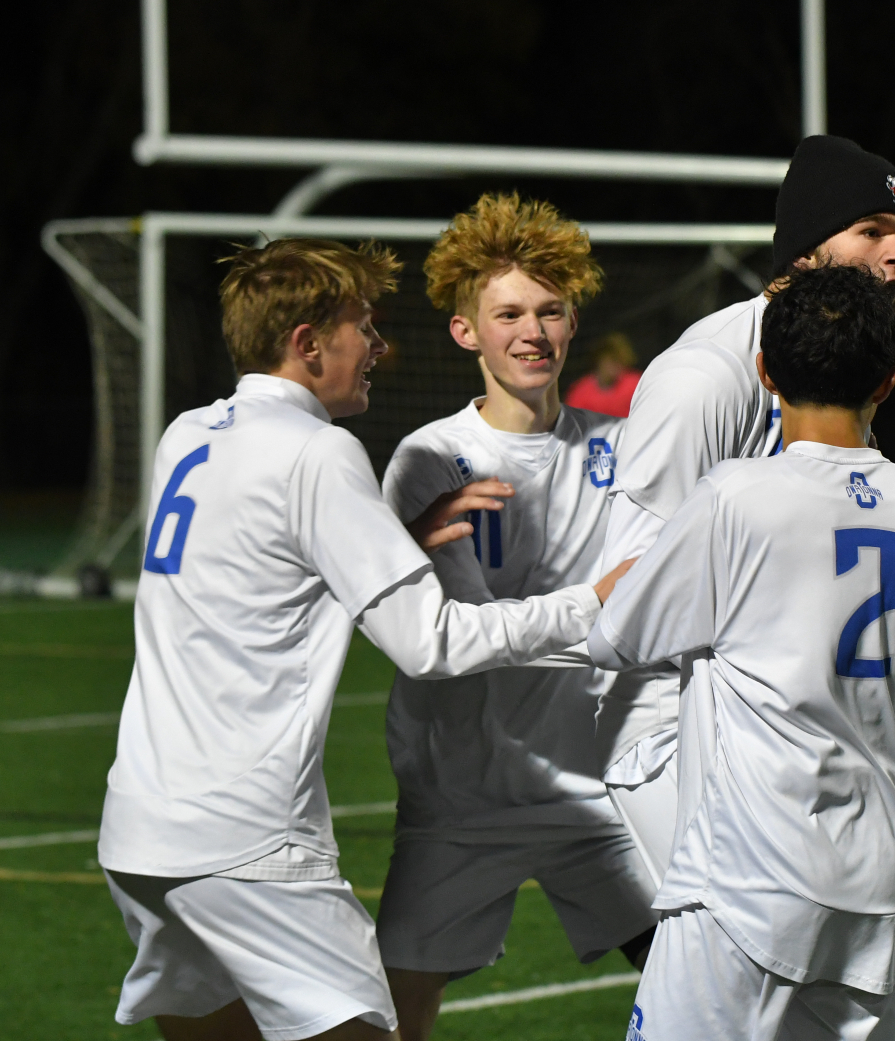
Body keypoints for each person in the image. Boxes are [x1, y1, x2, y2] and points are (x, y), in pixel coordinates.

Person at [96, 238, 632, 1041]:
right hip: (249, 842)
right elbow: (432, 644)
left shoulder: (189, 435)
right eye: (364, 328)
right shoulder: (317, 450)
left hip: (138, 831)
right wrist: (589, 604)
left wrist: (395, 542)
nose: (380, 348)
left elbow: (263, 581)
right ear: (308, 344)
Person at [591, 264, 895, 1041]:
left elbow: (615, 638)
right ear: (886, 382)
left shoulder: (735, 495)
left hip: (750, 874)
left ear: (764, 371)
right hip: (877, 874)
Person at [597, 134, 895, 883]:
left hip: (782, 725)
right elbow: (632, 589)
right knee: (733, 970)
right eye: (872, 231)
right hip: (670, 727)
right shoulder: (704, 376)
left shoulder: (845, 364)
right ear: (806, 248)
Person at [375, 194, 658, 1041]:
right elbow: (462, 638)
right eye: (508, 314)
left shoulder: (624, 447)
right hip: (463, 796)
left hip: (599, 795)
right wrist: (600, 608)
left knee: (705, 979)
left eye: (549, 311)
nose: (531, 332)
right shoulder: (431, 459)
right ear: (468, 333)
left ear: (573, 324)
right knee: (392, 1011)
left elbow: (650, 603)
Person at [565, 331, 642, 416]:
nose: (615, 366)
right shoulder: (581, 392)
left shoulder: (635, 385)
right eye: (611, 360)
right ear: (599, 360)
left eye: (619, 361)